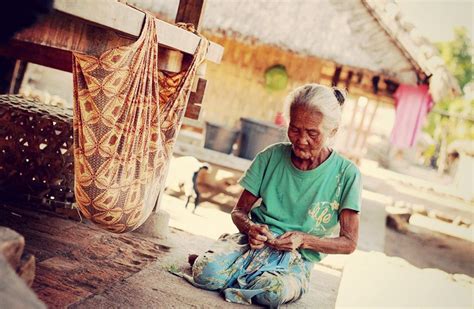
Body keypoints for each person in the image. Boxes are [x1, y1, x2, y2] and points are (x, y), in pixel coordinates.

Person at [185, 84, 361, 307]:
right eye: (295, 129)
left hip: (298, 259)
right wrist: (250, 229)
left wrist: (304, 240)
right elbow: (239, 211)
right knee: (205, 274)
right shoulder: (270, 156)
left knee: (272, 292)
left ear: (332, 131)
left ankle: (230, 269)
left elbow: (349, 242)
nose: (301, 139)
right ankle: (220, 262)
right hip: (252, 245)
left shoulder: (347, 174)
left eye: (312, 133)